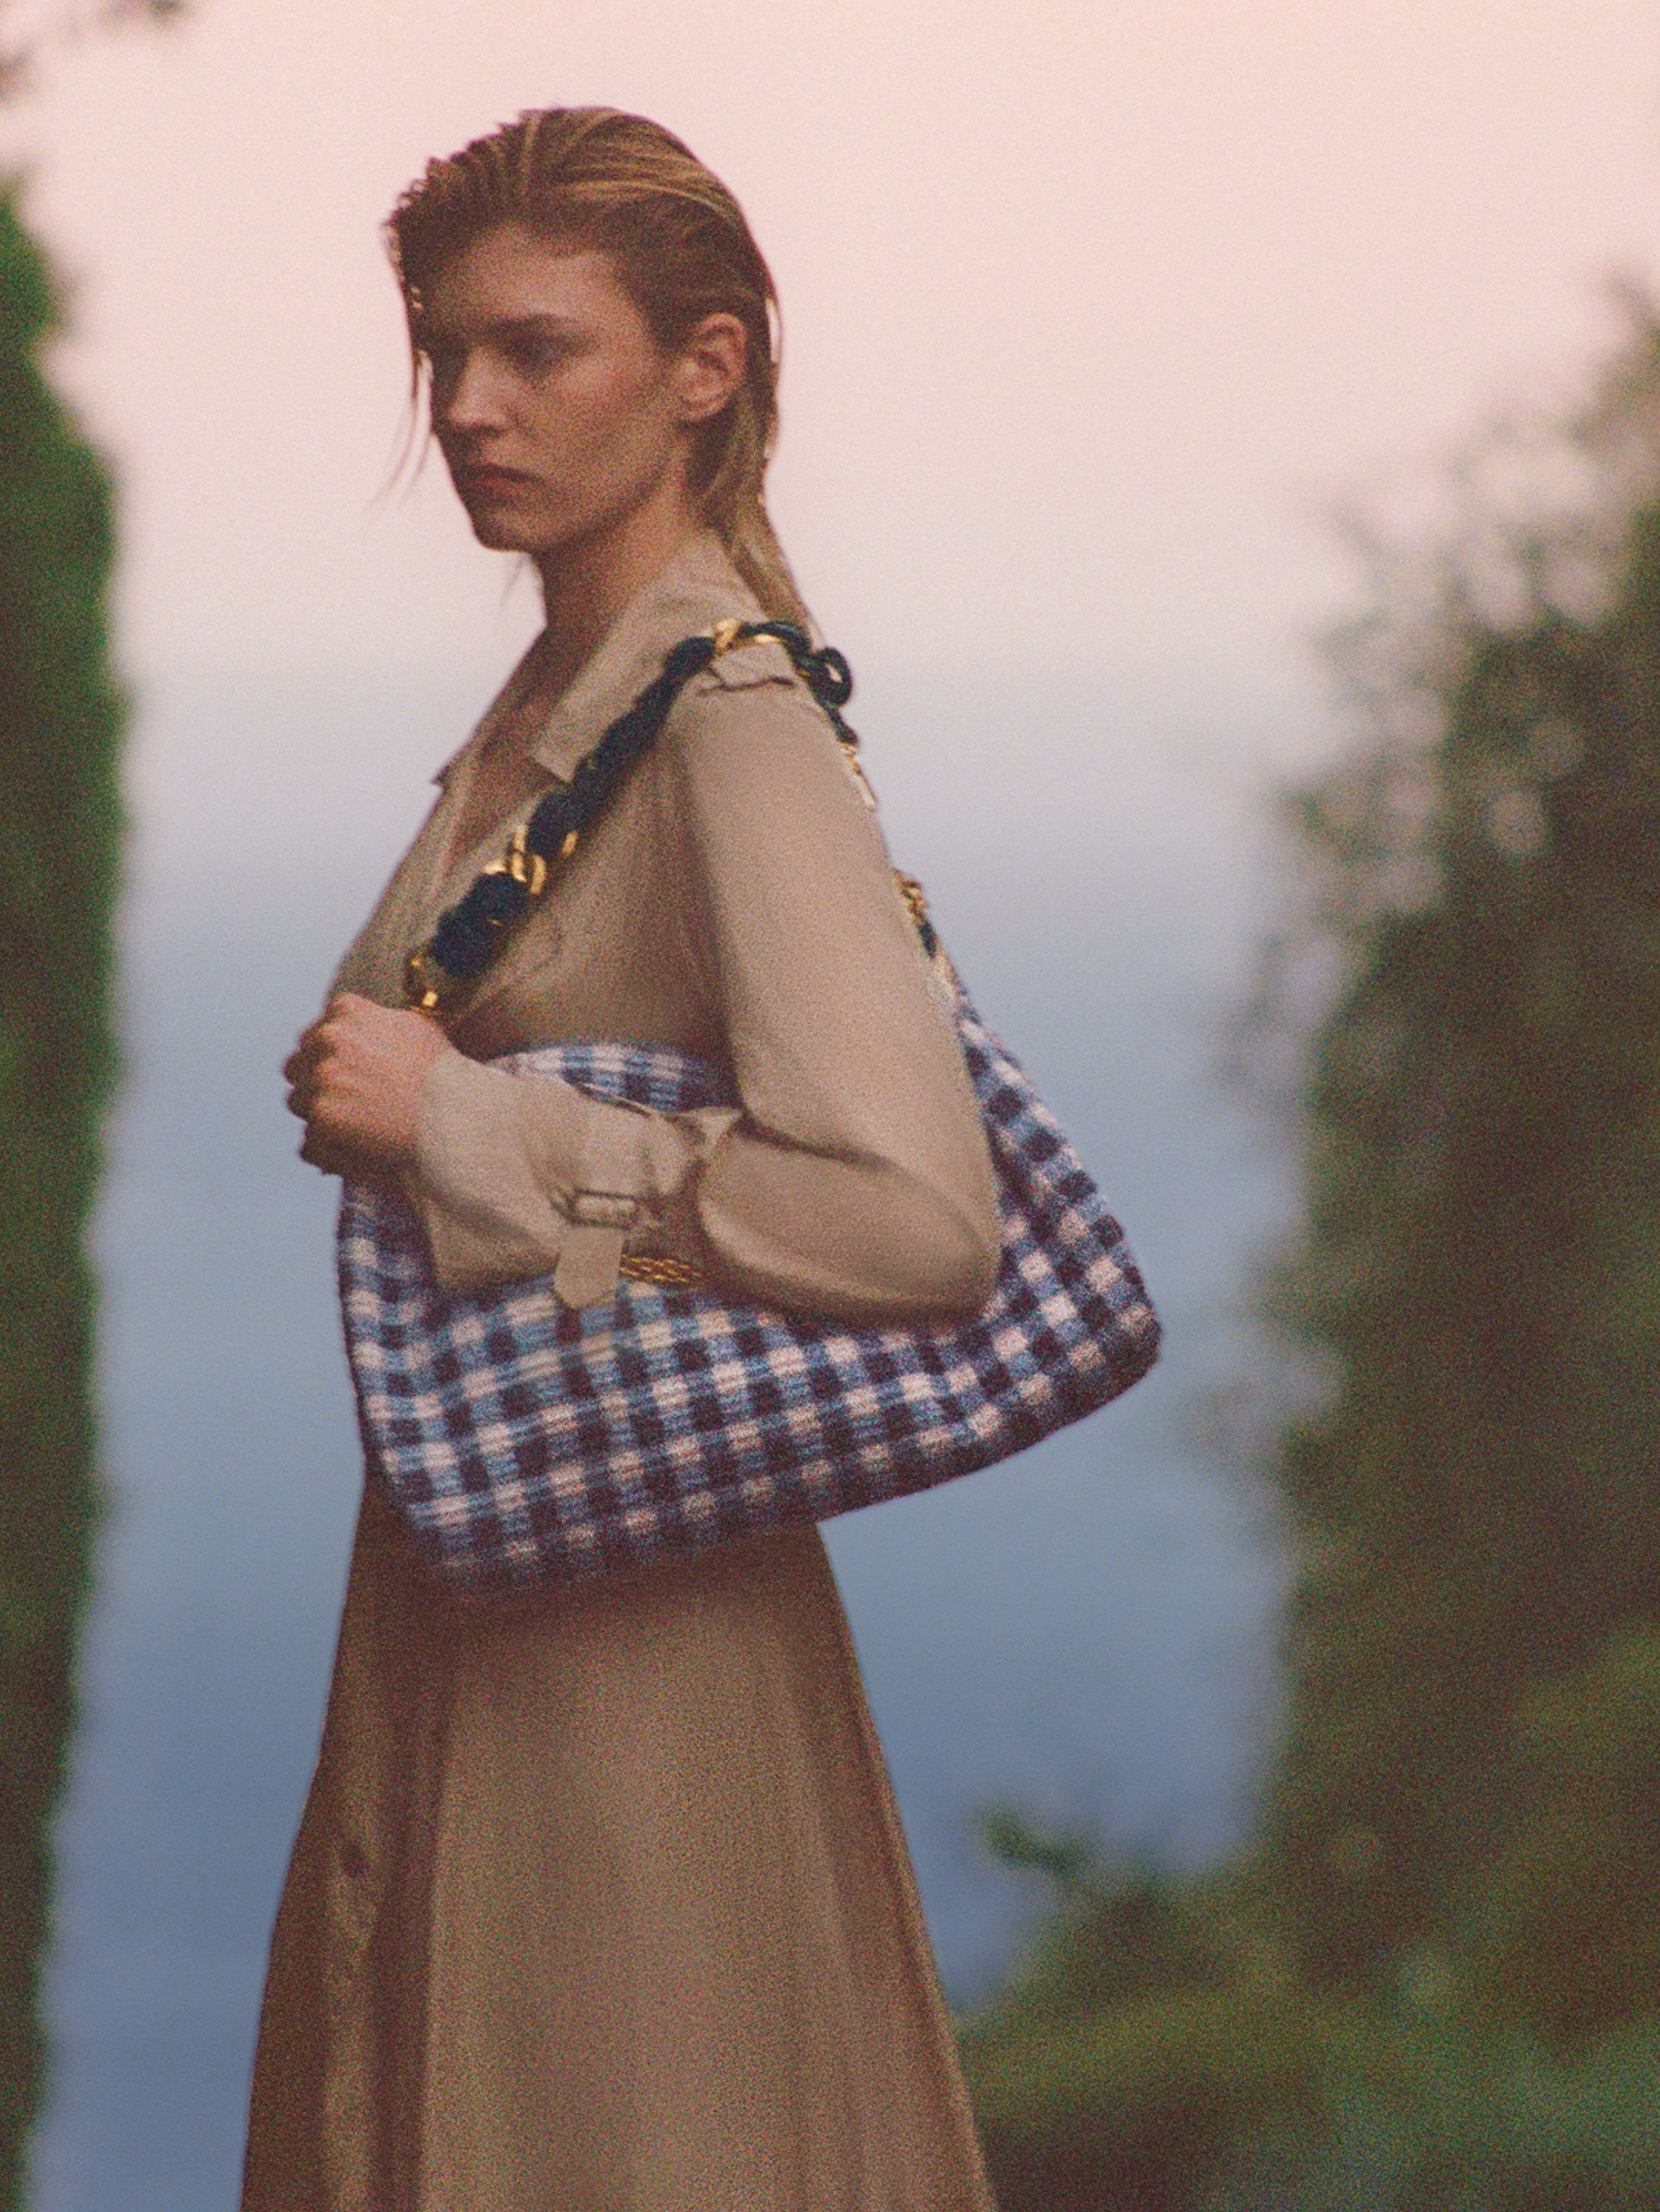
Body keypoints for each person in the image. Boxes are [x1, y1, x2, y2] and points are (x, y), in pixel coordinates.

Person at [251, 107, 1004, 2212]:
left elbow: (919, 1214)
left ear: (708, 366)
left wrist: (469, 1124)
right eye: (441, 352)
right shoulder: (562, 709)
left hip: (639, 1678)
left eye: (535, 349)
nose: (469, 406)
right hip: (491, 1583)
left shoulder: (727, 716)